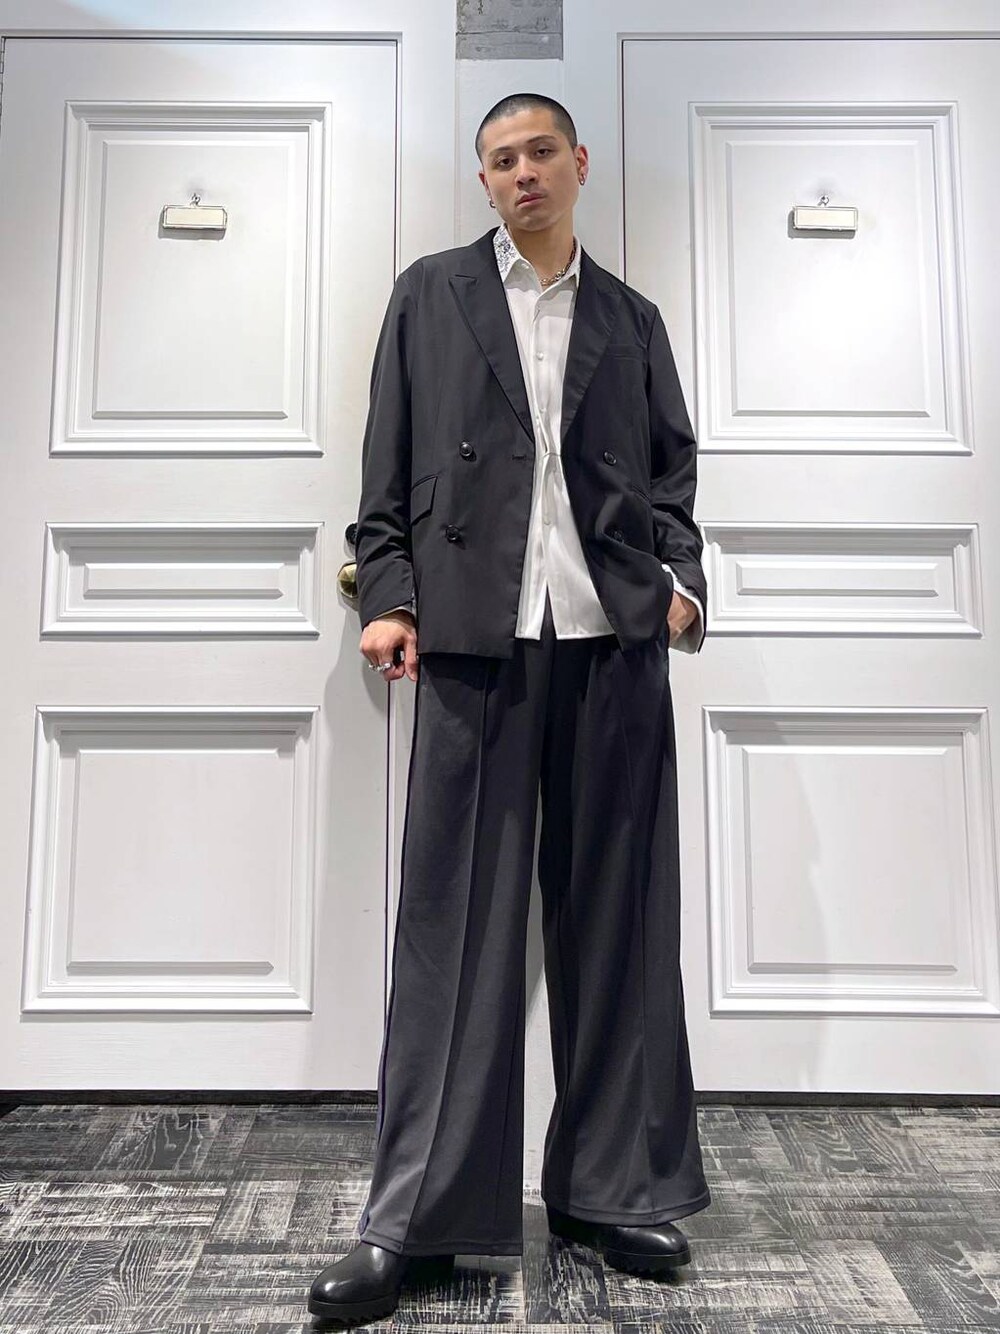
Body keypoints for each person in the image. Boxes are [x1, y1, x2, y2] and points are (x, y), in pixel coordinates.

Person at [309, 92, 711, 1326]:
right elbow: (384, 467)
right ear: (481, 178)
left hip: (611, 645)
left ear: (578, 162)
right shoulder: (429, 296)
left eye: (540, 151)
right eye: (500, 158)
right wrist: (388, 591)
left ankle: (610, 1188)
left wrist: (679, 583)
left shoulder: (630, 319)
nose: (522, 171)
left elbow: (671, 469)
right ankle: (415, 1216)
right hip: (475, 643)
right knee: (453, 931)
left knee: (618, 926)